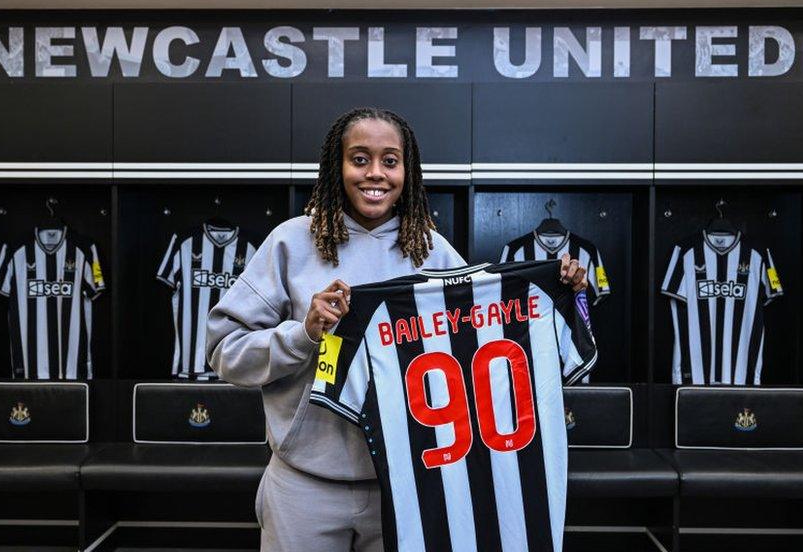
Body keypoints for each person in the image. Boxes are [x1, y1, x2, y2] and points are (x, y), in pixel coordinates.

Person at [206, 107, 588, 552]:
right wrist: (303, 334)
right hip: (303, 485)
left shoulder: (431, 249)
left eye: (390, 160)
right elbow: (223, 352)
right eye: (360, 159)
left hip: (409, 486)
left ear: (408, 170)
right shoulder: (291, 241)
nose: (375, 174)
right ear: (338, 165)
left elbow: (483, 342)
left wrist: (556, 292)